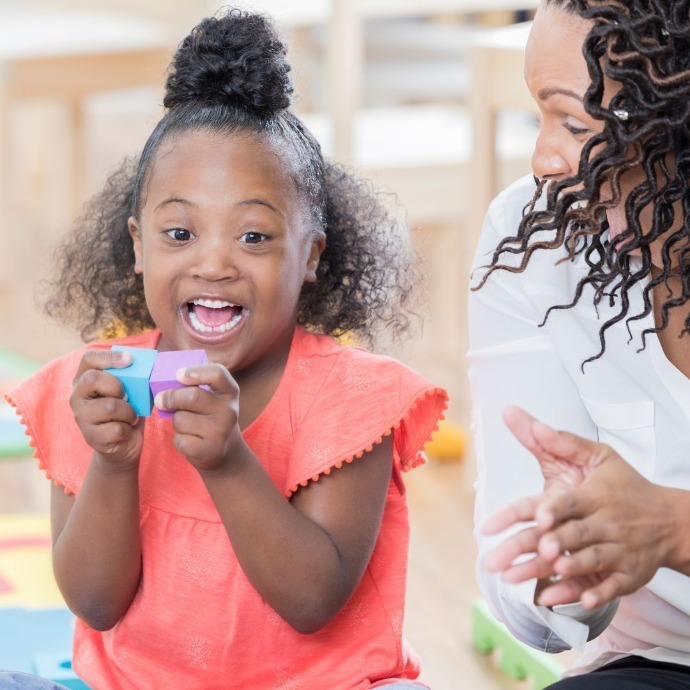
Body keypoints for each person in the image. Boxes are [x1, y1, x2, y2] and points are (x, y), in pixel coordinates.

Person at [5, 9, 447, 690]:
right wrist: (114, 465)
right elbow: (94, 604)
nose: (214, 264)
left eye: (254, 237)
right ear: (136, 246)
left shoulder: (353, 402)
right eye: (180, 234)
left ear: (310, 256)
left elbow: (312, 601)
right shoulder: (98, 387)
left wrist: (230, 461)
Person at [468, 0, 690, 688]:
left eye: (573, 122)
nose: (543, 160)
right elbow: (528, 594)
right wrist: (558, 564)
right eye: (541, 114)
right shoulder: (531, 241)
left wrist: (673, 526)